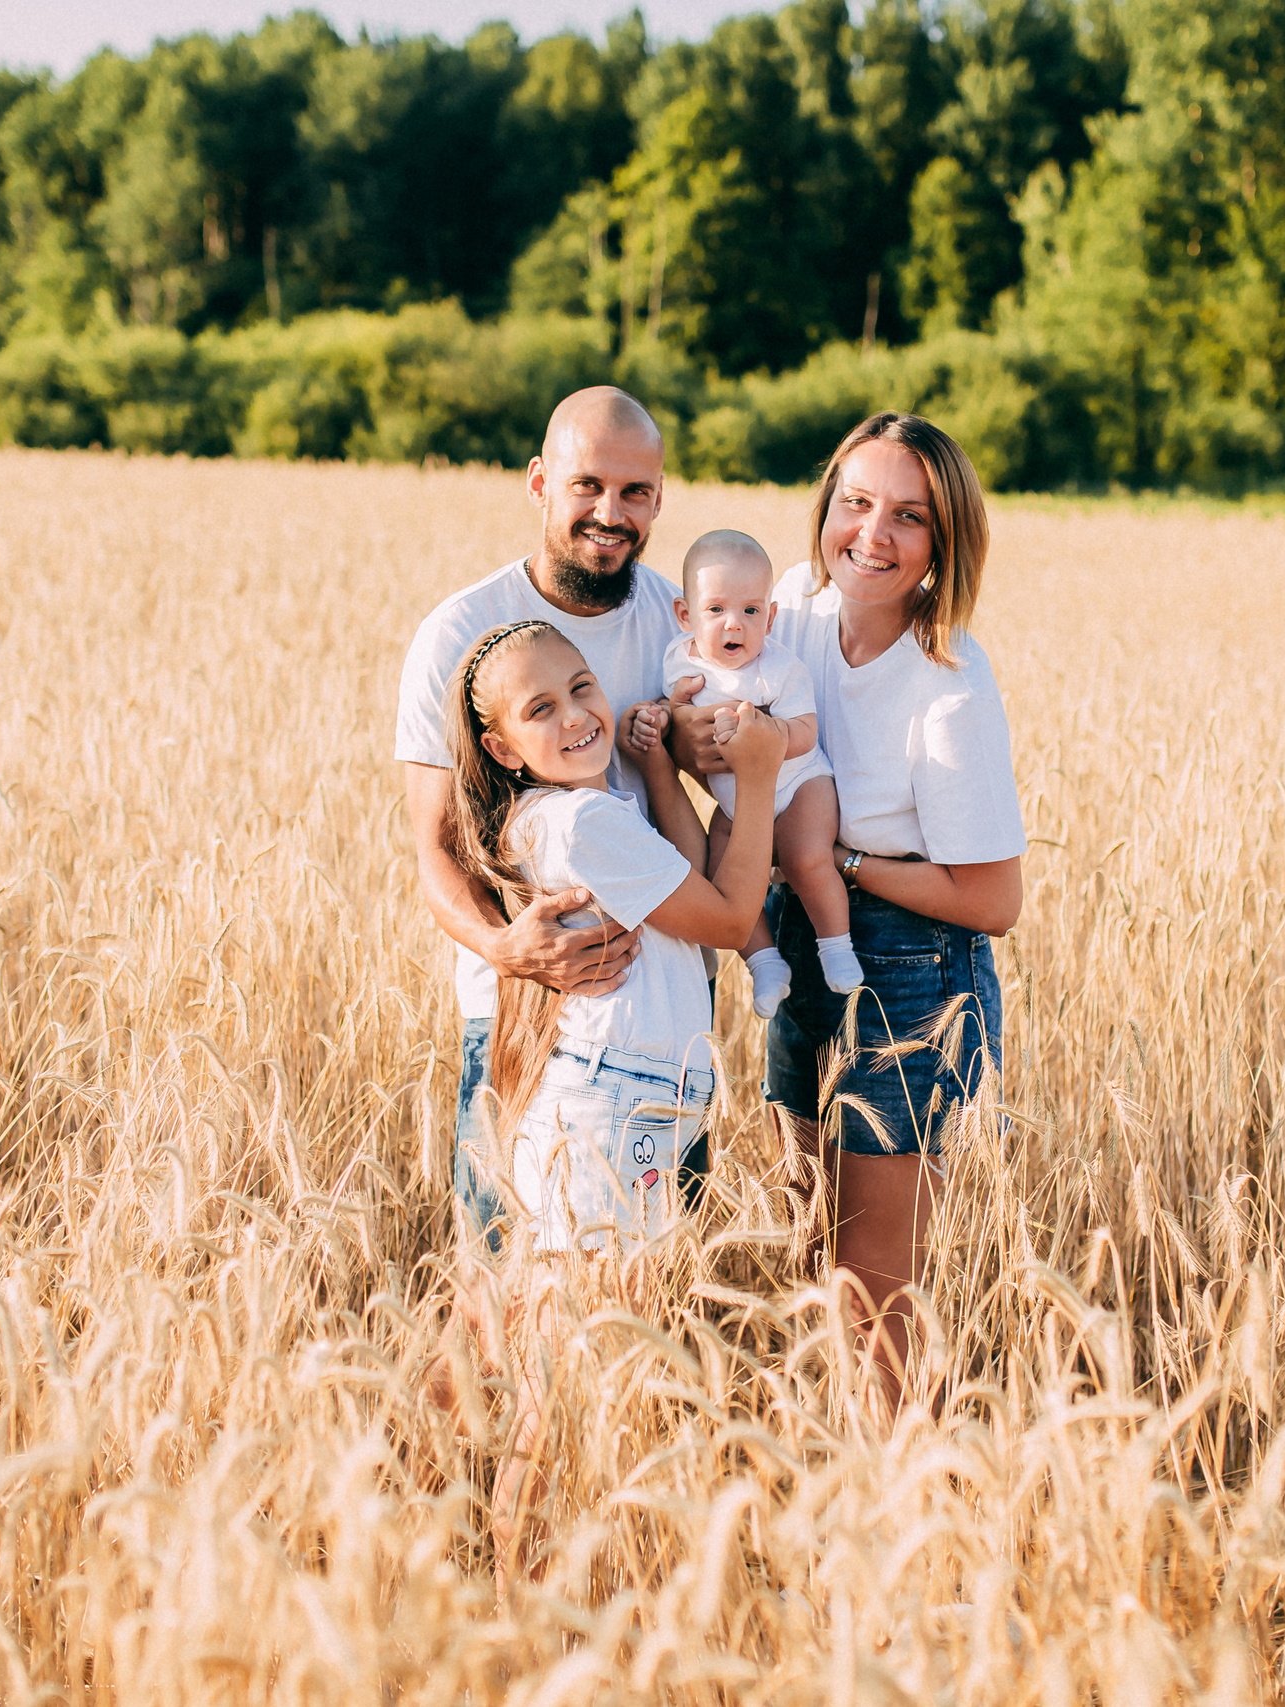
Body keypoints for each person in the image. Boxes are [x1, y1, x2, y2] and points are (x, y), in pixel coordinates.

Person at [668, 412, 1025, 1412]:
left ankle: (905, 1494)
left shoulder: (949, 683)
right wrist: (699, 745)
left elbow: (993, 899)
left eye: (908, 517)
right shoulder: (785, 607)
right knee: (804, 1236)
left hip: (911, 966)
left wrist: (835, 859)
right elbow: (722, 737)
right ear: (825, 509)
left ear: (943, 545)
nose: (872, 533)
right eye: (855, 503)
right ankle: (838, 1470)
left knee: (875, 1287)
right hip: (794, 933)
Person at [438, 615, 783, 1582]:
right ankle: (519, 1590)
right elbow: (727, 913)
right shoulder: (583, 822)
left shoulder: (593, 811)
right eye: (541, 709)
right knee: (565, 1383)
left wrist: (661, 774)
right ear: (502, 747)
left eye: (582, 688)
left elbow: (694, 880)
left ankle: (516, 1575)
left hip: (623, 1107)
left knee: (567, 1361)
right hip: (612, 1117)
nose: (578, 715)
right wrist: (754, 781)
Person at [397, 387, 696, 1239]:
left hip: (662, 1027)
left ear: (659, 499)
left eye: (636, 492)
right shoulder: (461, 632)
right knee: (497, 1288)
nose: (611, 512)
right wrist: (504, 947)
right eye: (587, 486)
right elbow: (437, 848)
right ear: (539, 484)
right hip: (522, 1019)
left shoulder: (681, 628)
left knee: (639, 1304)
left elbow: (741, 774)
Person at [631, 528, 859, 1016]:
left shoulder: (778, 668)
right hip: (736, 803)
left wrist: (766, 737)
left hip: (800, 784)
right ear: (685, 615)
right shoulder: (678, 659)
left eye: (751, 611)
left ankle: (836, 946)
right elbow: (673, 713)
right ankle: (764, 962)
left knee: (806, 857)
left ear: (770, 617)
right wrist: (663, 715)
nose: (734, 625)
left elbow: (805, 729)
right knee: (721, 874)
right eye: (715, 610)